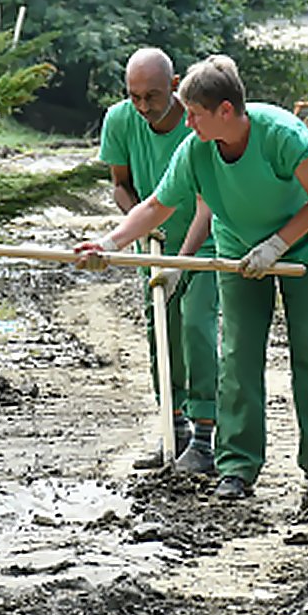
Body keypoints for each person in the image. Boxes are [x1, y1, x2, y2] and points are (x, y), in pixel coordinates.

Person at [78, 54, 308, 502]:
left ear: (225, 111)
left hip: (307, 248)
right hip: (237, 251)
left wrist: (276, 246)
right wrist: (108, 245)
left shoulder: (280, 135)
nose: (187, 123)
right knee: (239, 356)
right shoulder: (197, 149)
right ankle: (237, 466)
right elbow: (155, 206)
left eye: (194, 114)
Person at [98, 48, 219, 474]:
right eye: (135, 97)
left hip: (203, 241)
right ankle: (174, 428)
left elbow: (206, 204)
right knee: (161, 334)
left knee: (197, 326)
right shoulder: (120, 120)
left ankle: (206, 436)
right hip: (155, 242)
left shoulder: (196, 122)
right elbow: (121, 185)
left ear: (174, 84)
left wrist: (181, 261)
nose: (144, 107)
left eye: (152, 95)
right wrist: (140, 232)